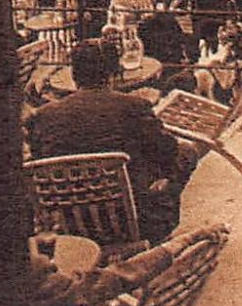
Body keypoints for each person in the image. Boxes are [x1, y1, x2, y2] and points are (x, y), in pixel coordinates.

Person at [27, 40, 199, 242]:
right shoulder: (134, 107)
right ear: (114, 72)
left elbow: (38, 161)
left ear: (74, 75)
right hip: (135, 220)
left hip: (71, 223)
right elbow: (168, 152)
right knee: (186, 152)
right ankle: (159, 232)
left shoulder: (43, 116)